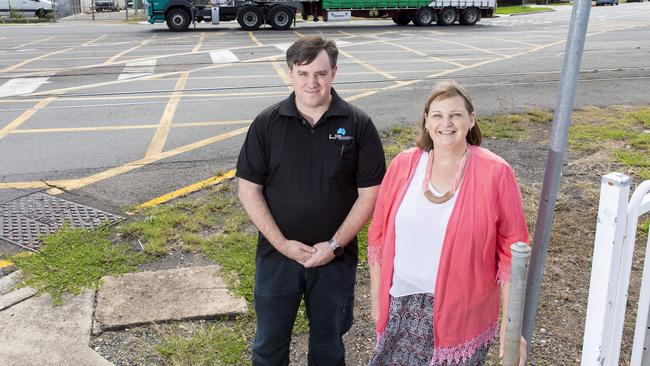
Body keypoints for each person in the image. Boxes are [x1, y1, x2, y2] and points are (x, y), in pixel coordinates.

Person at [236, 35, 386, 366]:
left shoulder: (358, 124)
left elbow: (370, 194)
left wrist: (333, 245)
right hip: (276, 259)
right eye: (302, 73)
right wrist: (282, 244)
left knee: (328, 349)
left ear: (334, 72)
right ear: (290, 73)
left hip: (335, 260)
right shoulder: (266, 124)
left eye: (320, 73)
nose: (311, 82)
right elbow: (248, 189)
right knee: (268, 348)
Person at [367, 81, 529, 366]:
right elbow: (378, 235)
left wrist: (510, 325)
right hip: (402, 303)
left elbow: (512, 255)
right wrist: (377, 298)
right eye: (438, 115)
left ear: (472, 119)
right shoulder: (404, 164)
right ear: (427, 121)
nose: (446, 123)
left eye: (455, 114)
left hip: (462, 312)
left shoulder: (496, 173)